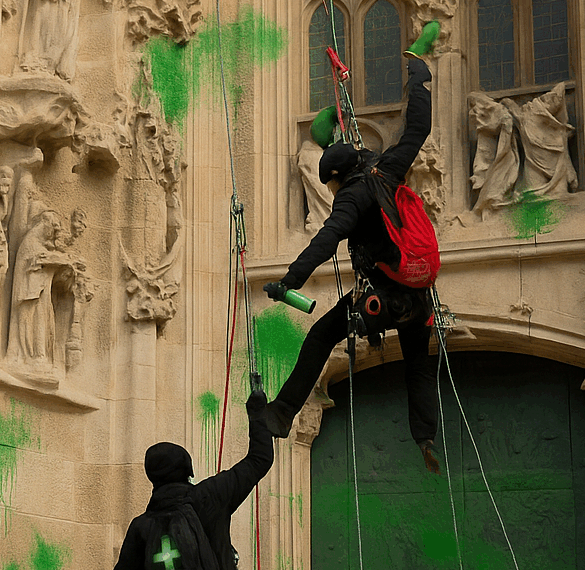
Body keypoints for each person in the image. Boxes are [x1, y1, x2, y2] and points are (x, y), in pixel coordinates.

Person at [262, 57, 441, 474]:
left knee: (322, 336)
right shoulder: (387, 170)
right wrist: (419, 79)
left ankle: (282, 413)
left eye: (329, 184)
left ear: (336, 176)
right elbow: (417, 129)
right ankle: (425, 437)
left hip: (379, 301)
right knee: (418, 366)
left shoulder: (351, 196)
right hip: (418, 297)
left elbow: (327, 239)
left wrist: (290, 280)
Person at [114, 389, 272, 570]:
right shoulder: (211, 495)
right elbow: (260, 459)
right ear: (187, 469)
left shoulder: (140, 526)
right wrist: (257, 412)